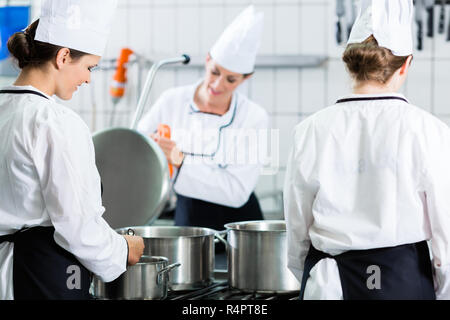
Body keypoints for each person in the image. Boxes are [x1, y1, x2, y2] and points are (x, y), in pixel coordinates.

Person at [284, 0, 450, 300]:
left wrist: (309, 277)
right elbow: (445, 235)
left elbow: (297, 229)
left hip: (329, 284)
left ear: (350, 63)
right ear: (407, 64)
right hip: (405, 282)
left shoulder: (309, 130)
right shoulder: (430, 132)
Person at [0, 0, 144, 300]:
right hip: (36, 278)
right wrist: (123, 249)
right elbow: (77, 228)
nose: (89, 78)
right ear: (64, 56)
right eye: (89, 67)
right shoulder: (55, 122)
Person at [138, 6, 269, 231]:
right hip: (189, 218)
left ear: (246, 79)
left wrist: (179, 158)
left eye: (231, 79)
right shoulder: (172, 101)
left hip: (240, 226)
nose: (218, 85)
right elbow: (140, 147)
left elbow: (236, 192)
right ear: (208, 60)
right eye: (215, 72)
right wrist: (153, 148)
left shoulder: (253, 117)